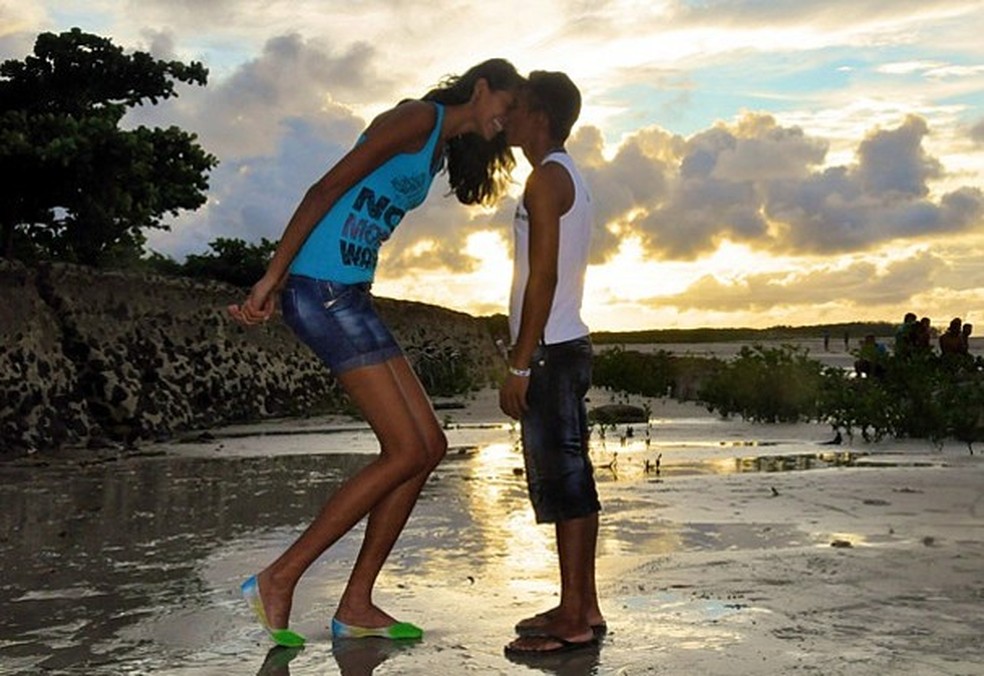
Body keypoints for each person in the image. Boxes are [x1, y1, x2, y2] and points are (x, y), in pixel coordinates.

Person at [228, 58, 524, 647]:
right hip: (320, 289)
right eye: (507, 106)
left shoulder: (438, 151)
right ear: (481, 87)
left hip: (350, 294)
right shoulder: (416, 119)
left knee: (429, 446)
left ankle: (357, 603)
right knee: (406, 448)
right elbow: (326, 188)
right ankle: (280, 577)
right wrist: (271, 278)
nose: (507, 121)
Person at [498, 71, 604, 656]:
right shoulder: (563, 175)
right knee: (572, 476)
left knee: (564, 482)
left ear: (539, 117)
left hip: (551, 352)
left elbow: (544, 277)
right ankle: (582, 605)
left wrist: (520, 364)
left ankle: (573, 620)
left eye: (517, 108)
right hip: (560, 346)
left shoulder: (547, 179)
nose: (507, 116)